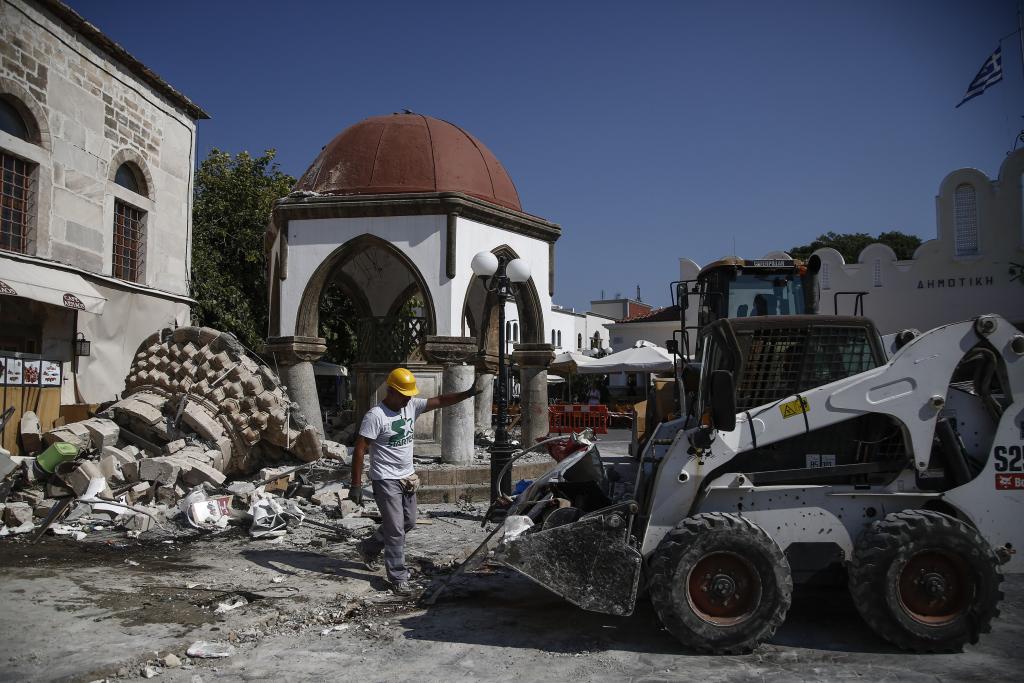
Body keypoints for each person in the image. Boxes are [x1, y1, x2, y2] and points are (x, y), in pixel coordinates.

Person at [349, 367, 479, 595]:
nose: (408, 398)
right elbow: (360, 450)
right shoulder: (375, 416)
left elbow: (439, 400)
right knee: (396, 529)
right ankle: (397, 576)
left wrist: (466, 394)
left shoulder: (411, 405)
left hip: (407, 477)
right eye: (404, 394)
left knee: (408, 522)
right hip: (385, 478)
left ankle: (368, 547)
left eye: (409, 394)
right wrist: (356, 485)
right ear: (390, 391)